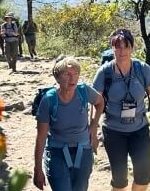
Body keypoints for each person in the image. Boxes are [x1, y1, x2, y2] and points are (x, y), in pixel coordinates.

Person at [92, 29, 150, 191]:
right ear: (112, 48)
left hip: (139, 129)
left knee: (143, 177)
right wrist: (92, 131)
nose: (122, 51)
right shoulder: (105, 72)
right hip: (113, 131)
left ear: (132, 48)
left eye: (126, 46)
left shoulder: (142, 69)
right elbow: (95, 102)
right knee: (119, 180)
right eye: (118, 47)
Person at [34, 59, 104, 191]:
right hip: (57, 153)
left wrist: (93, 127)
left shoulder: (84, 91)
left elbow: (100, 102)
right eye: (67, 74)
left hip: (83, 151)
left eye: (76, 73)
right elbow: (41, 137)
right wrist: (38, 169)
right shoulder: (49, 100)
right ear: (57, 77)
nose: (72, 78)